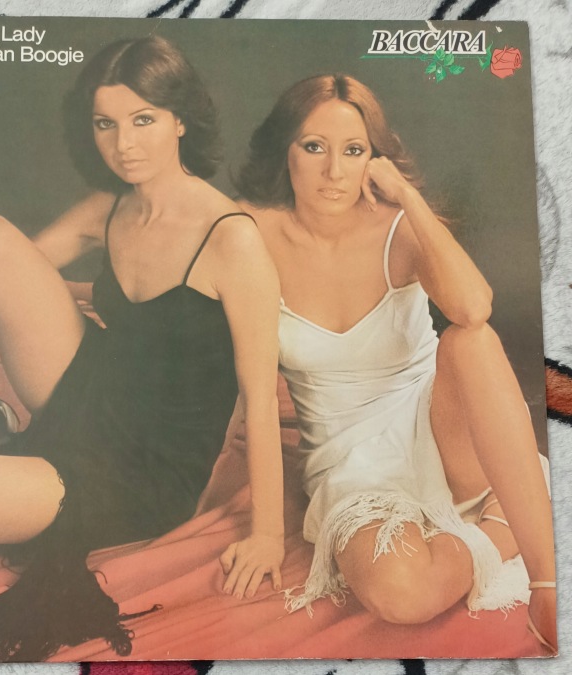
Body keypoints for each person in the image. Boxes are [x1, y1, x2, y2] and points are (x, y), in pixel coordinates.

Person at [0, 36, 284, 662]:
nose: (123, 144)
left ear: (180, 120)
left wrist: (270, 535)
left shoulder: (233, 240)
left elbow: (260, 397)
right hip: (91, 387)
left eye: (143, 120)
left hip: (144, 467)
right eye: (105, 124)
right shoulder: (110, 207)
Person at [235, 74, 557, 653]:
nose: (334, 171)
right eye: (314, 147)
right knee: (403, 596)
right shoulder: (250, 232)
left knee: (472, 339)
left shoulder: (396, 225)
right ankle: (497, 530)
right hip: (349, 463)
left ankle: (547, 583)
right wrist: (265, 533)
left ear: (374, 159)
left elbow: (473, 307)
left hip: (443, 433)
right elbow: (258, 394)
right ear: (285, 149)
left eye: (353, 151)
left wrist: (407, 196)